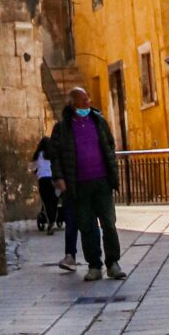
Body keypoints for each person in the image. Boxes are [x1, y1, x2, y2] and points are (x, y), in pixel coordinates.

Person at [50, 87, 126, 282]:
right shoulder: (62, 128)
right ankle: (94, 265)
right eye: (82, 100)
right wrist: (59, 178)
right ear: (72, 104)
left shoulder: (99, 121)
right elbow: (55, 155)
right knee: (87, 226)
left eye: (87, 99)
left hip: (102, 181)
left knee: (109, 223)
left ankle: (113, 263)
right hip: (79, 185)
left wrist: (111, 169)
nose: (87, 103)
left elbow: (109, 144)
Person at [31, 133, 59, 233]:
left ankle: (50, 220)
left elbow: (32, 168)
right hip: (53, 179)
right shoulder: (53, 154)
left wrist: (37, 171)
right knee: (54, 200)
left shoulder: (37, 155)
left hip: (42, 180)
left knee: (46, 202)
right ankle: (53, 220)